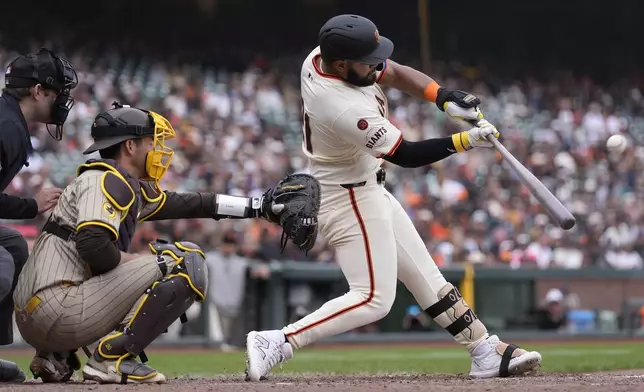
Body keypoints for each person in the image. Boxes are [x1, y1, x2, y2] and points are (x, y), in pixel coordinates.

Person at [245, 14, 542, 381]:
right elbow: (407, 154)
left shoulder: (327, 59)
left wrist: (443, 97)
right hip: (348, 197)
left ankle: (483, 350)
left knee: (427, 277)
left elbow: (397, 72)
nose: (376, 65)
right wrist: (465, 140)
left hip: (367, 186)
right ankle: (277, 341)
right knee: (373, 298)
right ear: (340, 64)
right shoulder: (339, 104)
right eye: (367, 60)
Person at [13, 102, 319, 384]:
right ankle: (111, 359)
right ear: (130, 145)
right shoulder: (106, 180)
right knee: (184, 260)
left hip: (39, 314)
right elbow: (94, 246)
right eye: (151, 142)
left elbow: (192, 204)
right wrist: (131, 261)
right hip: (57, 309)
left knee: (141, 263)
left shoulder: (114, 182)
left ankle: (56, 356)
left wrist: (257, 207)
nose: (158, 149)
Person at [0, 47, 78, 383]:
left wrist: (30, 206)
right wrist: (31, 205)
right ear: (37, 91)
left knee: (15, 245)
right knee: (1, 264)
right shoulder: (6, 126)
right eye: (57, 93)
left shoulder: (9, 119)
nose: (61, 101)